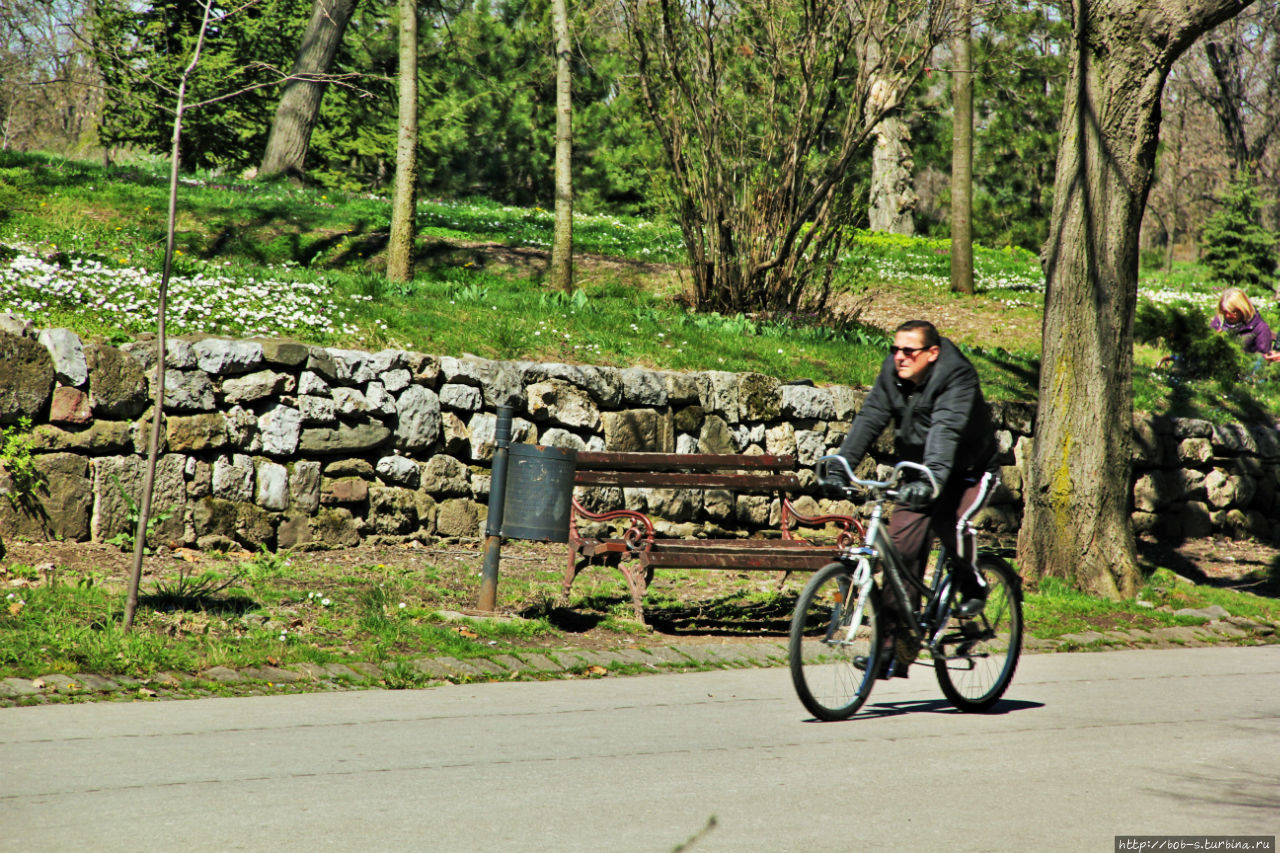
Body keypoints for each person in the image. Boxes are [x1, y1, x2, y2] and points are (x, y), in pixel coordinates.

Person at [824, 319, 1000, 679]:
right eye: (895, 350)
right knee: (899, 554)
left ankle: (974, 584)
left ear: (932, 353)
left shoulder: (957, 376)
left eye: (909, 351)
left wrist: (933, 476)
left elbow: (946, 428)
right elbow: (871, 416)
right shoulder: (894, 372)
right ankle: (892, 652)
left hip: (968, 469)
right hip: (921, 472)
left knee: (953, 524)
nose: (899, 357)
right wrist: (842, 465)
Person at [1211, 288, 1275, 360]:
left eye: (1233, 311)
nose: (1229, 315)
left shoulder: (1260, 328)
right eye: (1225, 312)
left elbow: (1263, 360)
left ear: (1242, 309)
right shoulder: (1218, 322)